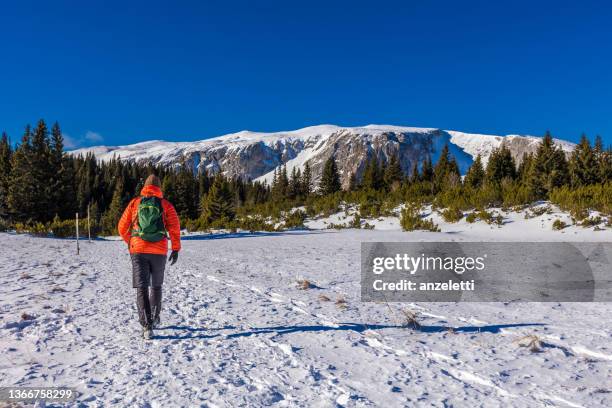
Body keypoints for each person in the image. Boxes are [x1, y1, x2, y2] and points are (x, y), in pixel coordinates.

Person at [118, 175, 181, 340]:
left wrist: (131, 242)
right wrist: (175, 248)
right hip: (159, 250)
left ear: (145, 187)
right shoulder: (166, 205)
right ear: (159, 187)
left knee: (142, 287)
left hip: (138, 249)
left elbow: (121, 227)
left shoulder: (135, 203)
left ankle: (146, 326)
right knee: (156, 286)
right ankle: (155, 318)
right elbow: (174, 228)